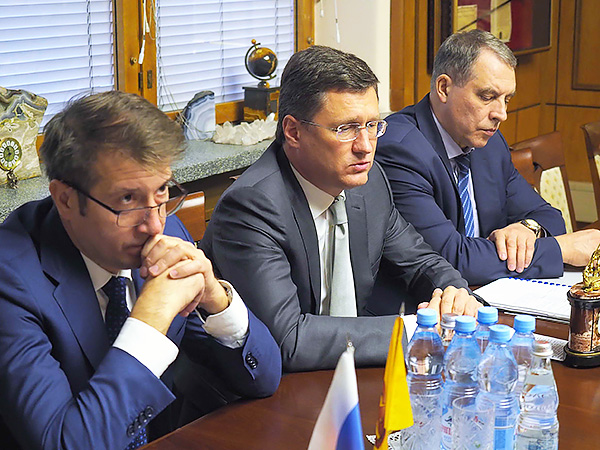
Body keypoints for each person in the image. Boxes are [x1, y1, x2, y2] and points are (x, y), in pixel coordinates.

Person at [0, 91, 281, 450]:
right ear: (65, 199)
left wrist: (216, 298)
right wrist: (149, 319)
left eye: (162, 191)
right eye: (127, 200)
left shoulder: (167, 233)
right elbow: (65, 444)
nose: (154, 225)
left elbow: (262, 379)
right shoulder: (10, 277)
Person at [201, 45, 481, 373]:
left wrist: (454, 293)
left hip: (344, 373)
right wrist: (416, 331)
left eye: (372, 125)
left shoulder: (369, 183)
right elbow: (287, 339)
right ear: (293, 132)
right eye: (345, 129)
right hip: (265, 389)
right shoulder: (252, 207)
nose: (365, 146)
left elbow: (421, 263)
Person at [376, 29, 600, 286]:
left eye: (507, 100)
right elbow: (451, 258)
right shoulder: (399, 149)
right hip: (426, 303)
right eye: (487, 97)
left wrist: (527, 228)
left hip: (489, 292)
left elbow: (547, 215)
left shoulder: (489, 143)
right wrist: (560, 250)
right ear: (444, 88)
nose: (501, 114)